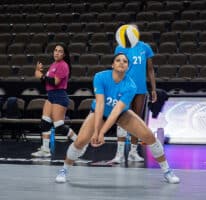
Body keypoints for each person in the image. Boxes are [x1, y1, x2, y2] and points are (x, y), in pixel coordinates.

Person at [55, 53, 180, 184]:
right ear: (113, 64)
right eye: (118, 60)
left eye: (125, 61)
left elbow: (116, 111)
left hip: (121, 114)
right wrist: (97, 131)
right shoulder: (100, 77)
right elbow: (100, 105)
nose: (121, 62)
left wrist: (102, 133)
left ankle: (167, 171)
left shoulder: (131, 86)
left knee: (149, 137)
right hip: (100, 113)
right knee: (80, 142)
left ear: (127, 67)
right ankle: (64, 170)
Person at [111, 24, 157, 163]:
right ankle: (119, 154)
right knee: (121, 118)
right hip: (124, 88)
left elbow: (150, 69)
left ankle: (133, 152)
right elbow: (116, 69)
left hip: (140, 89)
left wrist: (153, 88)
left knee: (136, 120)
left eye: (135, 30)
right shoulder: (120, 47)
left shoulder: (145, 47)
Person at [32, 43, 77, 157]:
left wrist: (41, 76)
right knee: (45, 123)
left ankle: (80, 143)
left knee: (59, 126)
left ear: (64, 54)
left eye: (60, 51)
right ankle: (45, 150)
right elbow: (47, 82)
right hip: (51, 96)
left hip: (59, 96)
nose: (57, 52)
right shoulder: (54, 64)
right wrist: (40, 74)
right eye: (55, 50)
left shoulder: (63, 65)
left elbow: (55, 82)